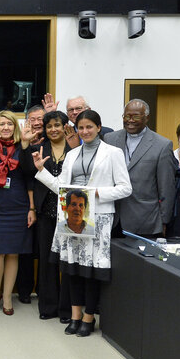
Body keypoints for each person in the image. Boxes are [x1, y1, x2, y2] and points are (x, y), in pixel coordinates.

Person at [33, 109, 132, 337]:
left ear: (99, 127)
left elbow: (125, 188)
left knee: (91, 271)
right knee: (72, 270)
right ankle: (75, 316)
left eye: (89, 127)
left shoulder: (113, 153)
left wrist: (95, 193)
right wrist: (41, 170)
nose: (85, 131)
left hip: (98, 217)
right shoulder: (72, 154)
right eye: (81, 127)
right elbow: (61, 187)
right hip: (73, 216)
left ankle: (89, 317)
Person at [0, 110, 36, 316]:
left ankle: (8, 296)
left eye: (10, 124)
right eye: (2, 124)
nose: (6, 128)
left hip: (19, 207)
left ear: (15, 127)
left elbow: (30, 175)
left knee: (13, 253)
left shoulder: (23, 147)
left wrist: (31, 208)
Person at [23, 110, 73, 322]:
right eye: (49, 126)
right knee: (47, 260)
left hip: (71, 214)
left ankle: (67, 309)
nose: (53, 129)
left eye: (57, 125)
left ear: (64, 127)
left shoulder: (75, 150)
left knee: (68, 261)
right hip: (45, 212)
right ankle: (48, 306)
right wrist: (25, 146)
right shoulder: (38, 148)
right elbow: (28, 175)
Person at [104, 99, 175, 237]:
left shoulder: (162, 145)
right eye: (126, 116)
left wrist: (164, 221)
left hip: (145, 221)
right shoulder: (110, 139)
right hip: (113, 218)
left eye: (136, 116)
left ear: (147, 117)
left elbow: (166, 187)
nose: (130, 120)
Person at [16, 105, 45, 304]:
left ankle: (45, 291)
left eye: (40, 119)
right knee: (25, 249)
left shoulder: (55, 141)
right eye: (32, 119)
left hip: (50, 202)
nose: (36, 122)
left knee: (45, 251)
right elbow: (26, 176)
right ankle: (24, 290)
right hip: (26, 202)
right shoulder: (21, 144)